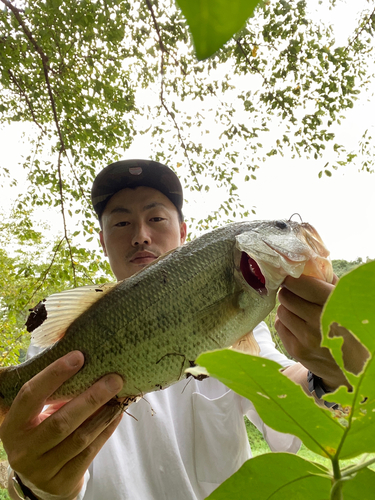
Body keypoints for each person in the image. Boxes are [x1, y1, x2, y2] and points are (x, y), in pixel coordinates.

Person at [2, 160, 348, 500]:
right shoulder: (59, 351)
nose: (140, 236)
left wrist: (329, 372)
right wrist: (34, 486)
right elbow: (31, 457)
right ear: (103, 242)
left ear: (183, 233)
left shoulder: (243, 329)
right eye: (122, 222)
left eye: (156, 218)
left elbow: (279, 384)